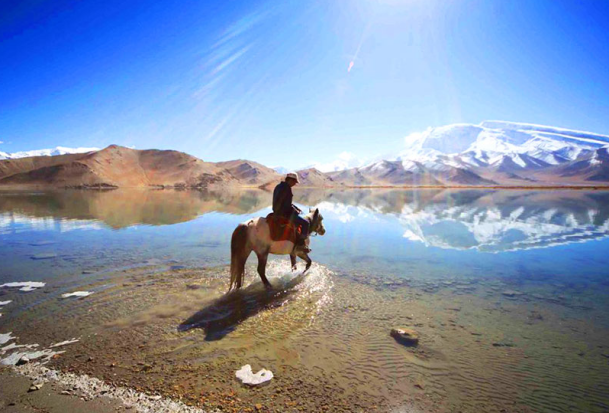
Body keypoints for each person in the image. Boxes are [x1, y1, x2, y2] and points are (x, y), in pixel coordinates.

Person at [272, 172, 310, 252]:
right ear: (290, 180)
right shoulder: (287, 188)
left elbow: (284, 202)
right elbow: (285, 206)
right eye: (294, 182)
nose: (294, 184)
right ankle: (301, 245)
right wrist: (294, 211)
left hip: (277, 211)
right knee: (306, 223)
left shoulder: (279, 186)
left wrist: (295, 207)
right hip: (284, 213)